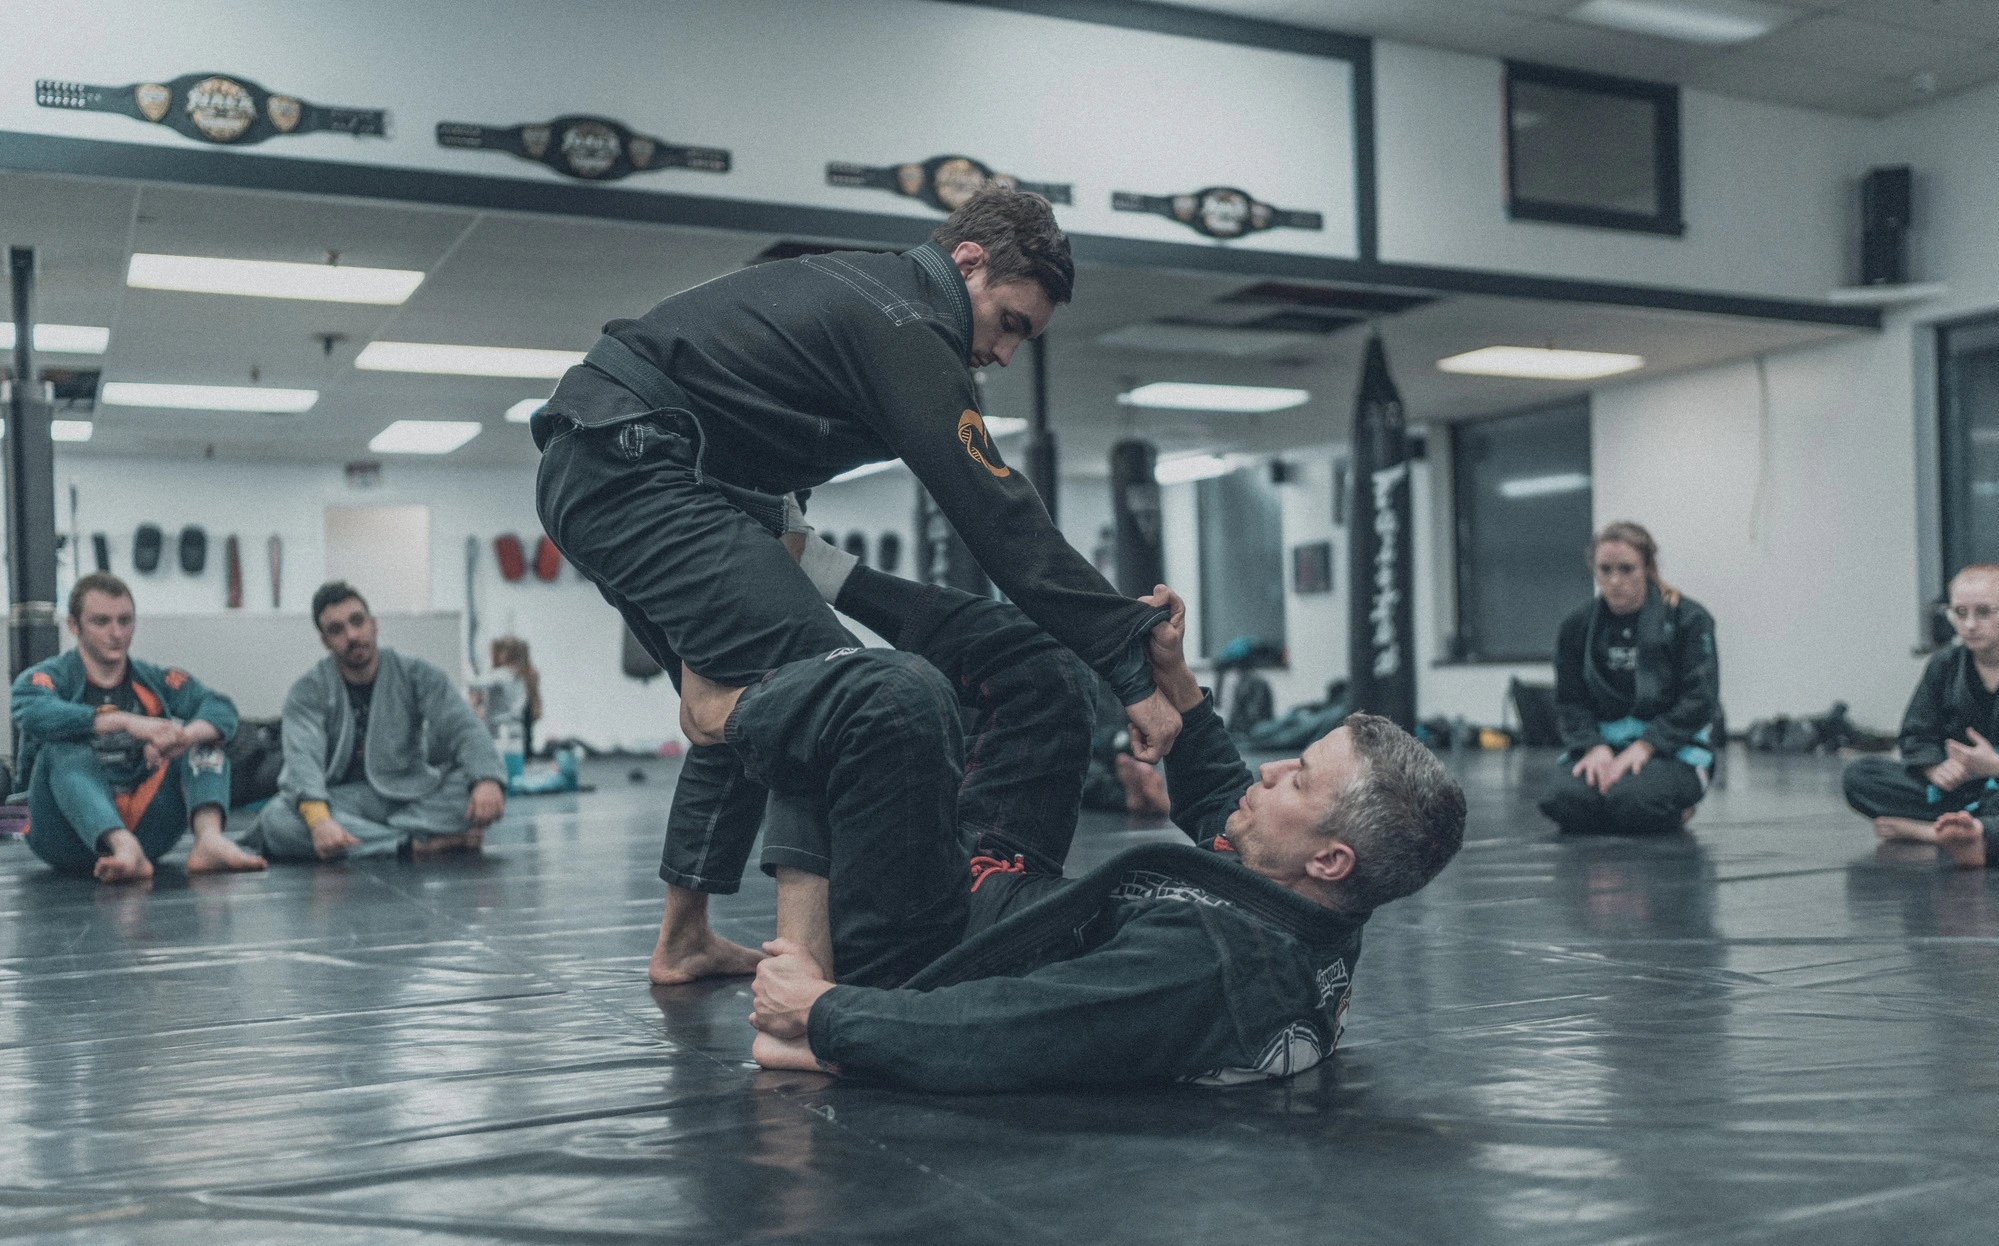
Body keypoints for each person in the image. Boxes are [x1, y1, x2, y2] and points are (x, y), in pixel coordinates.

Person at [529, 186, 1175, 985]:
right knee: (834, 689)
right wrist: (1127, 664)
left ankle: (684, 938)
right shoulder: (909, 323)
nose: (1006, 354)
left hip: (620, 461)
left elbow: (751, 410)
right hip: (636, 466)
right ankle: (804, 973)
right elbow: (1001, 518)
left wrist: (788, 536)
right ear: (968, 261)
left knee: (761, 699)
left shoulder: (874, 297)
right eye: (1011, 323)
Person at [677, 545, 1466, 1091]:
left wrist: (818, 1012)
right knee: (1047, 670)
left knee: (897, 698)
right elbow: (1224, 801)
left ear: (1331, 858)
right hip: (1004, 890)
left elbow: (1004, 1030)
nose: (1271, 771)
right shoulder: (1306, 898)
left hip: (921, 954)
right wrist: (1174, 679)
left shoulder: (1207, 967)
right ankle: (818, 564)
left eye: (1299, 779)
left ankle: (724, 715)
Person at [10, 572, 265, 883]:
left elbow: (219, 707)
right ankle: (121, 845)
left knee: (205, 740)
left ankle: (209, 841)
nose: (116, 633)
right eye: (101, 622)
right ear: (74, 626)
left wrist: (180, 737)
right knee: (61, 749)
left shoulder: (153, 679)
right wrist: (126, 721)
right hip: (63, 835)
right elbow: (33, 711)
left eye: (125, 621)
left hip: (147, 830)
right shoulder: (46, 677)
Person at [246, 582, 507, 861]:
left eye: (357, 622)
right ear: (325, 641)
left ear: (374, 624)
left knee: (475, 786)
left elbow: (464, 727)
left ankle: (368, 839)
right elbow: (302, 761)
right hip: (340, 801)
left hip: (413, 794)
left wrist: (486, 779)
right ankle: (412, 844)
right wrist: (320, 821)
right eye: (337, 630)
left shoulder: (417, 674)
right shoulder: (307, 691)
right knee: (277, 819)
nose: (352, 635)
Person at [1843, 561, 1999, 868]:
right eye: (1960, 613)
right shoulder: (1944, 665)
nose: (1970, 625)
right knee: (1860, 776)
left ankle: (1937, 831)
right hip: (1958, 790)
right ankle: (1977, 828)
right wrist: (1935, 768)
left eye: (1985, 612)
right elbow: (1916, 734)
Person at [1538, 522, 1720, 836]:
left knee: (1633, 801)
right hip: (1604, 746)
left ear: (1647, 567)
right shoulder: (1576, 626)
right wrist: (1593, 747)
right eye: (1605, 570)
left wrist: (1646, 746)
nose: (1614, 581)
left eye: (1626, 569)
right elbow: (1570, 701)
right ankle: (1619, 799)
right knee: (1564, 801)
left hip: (1672, 749)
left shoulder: (1689, 619)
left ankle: (1679, 804)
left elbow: (1700, 699)